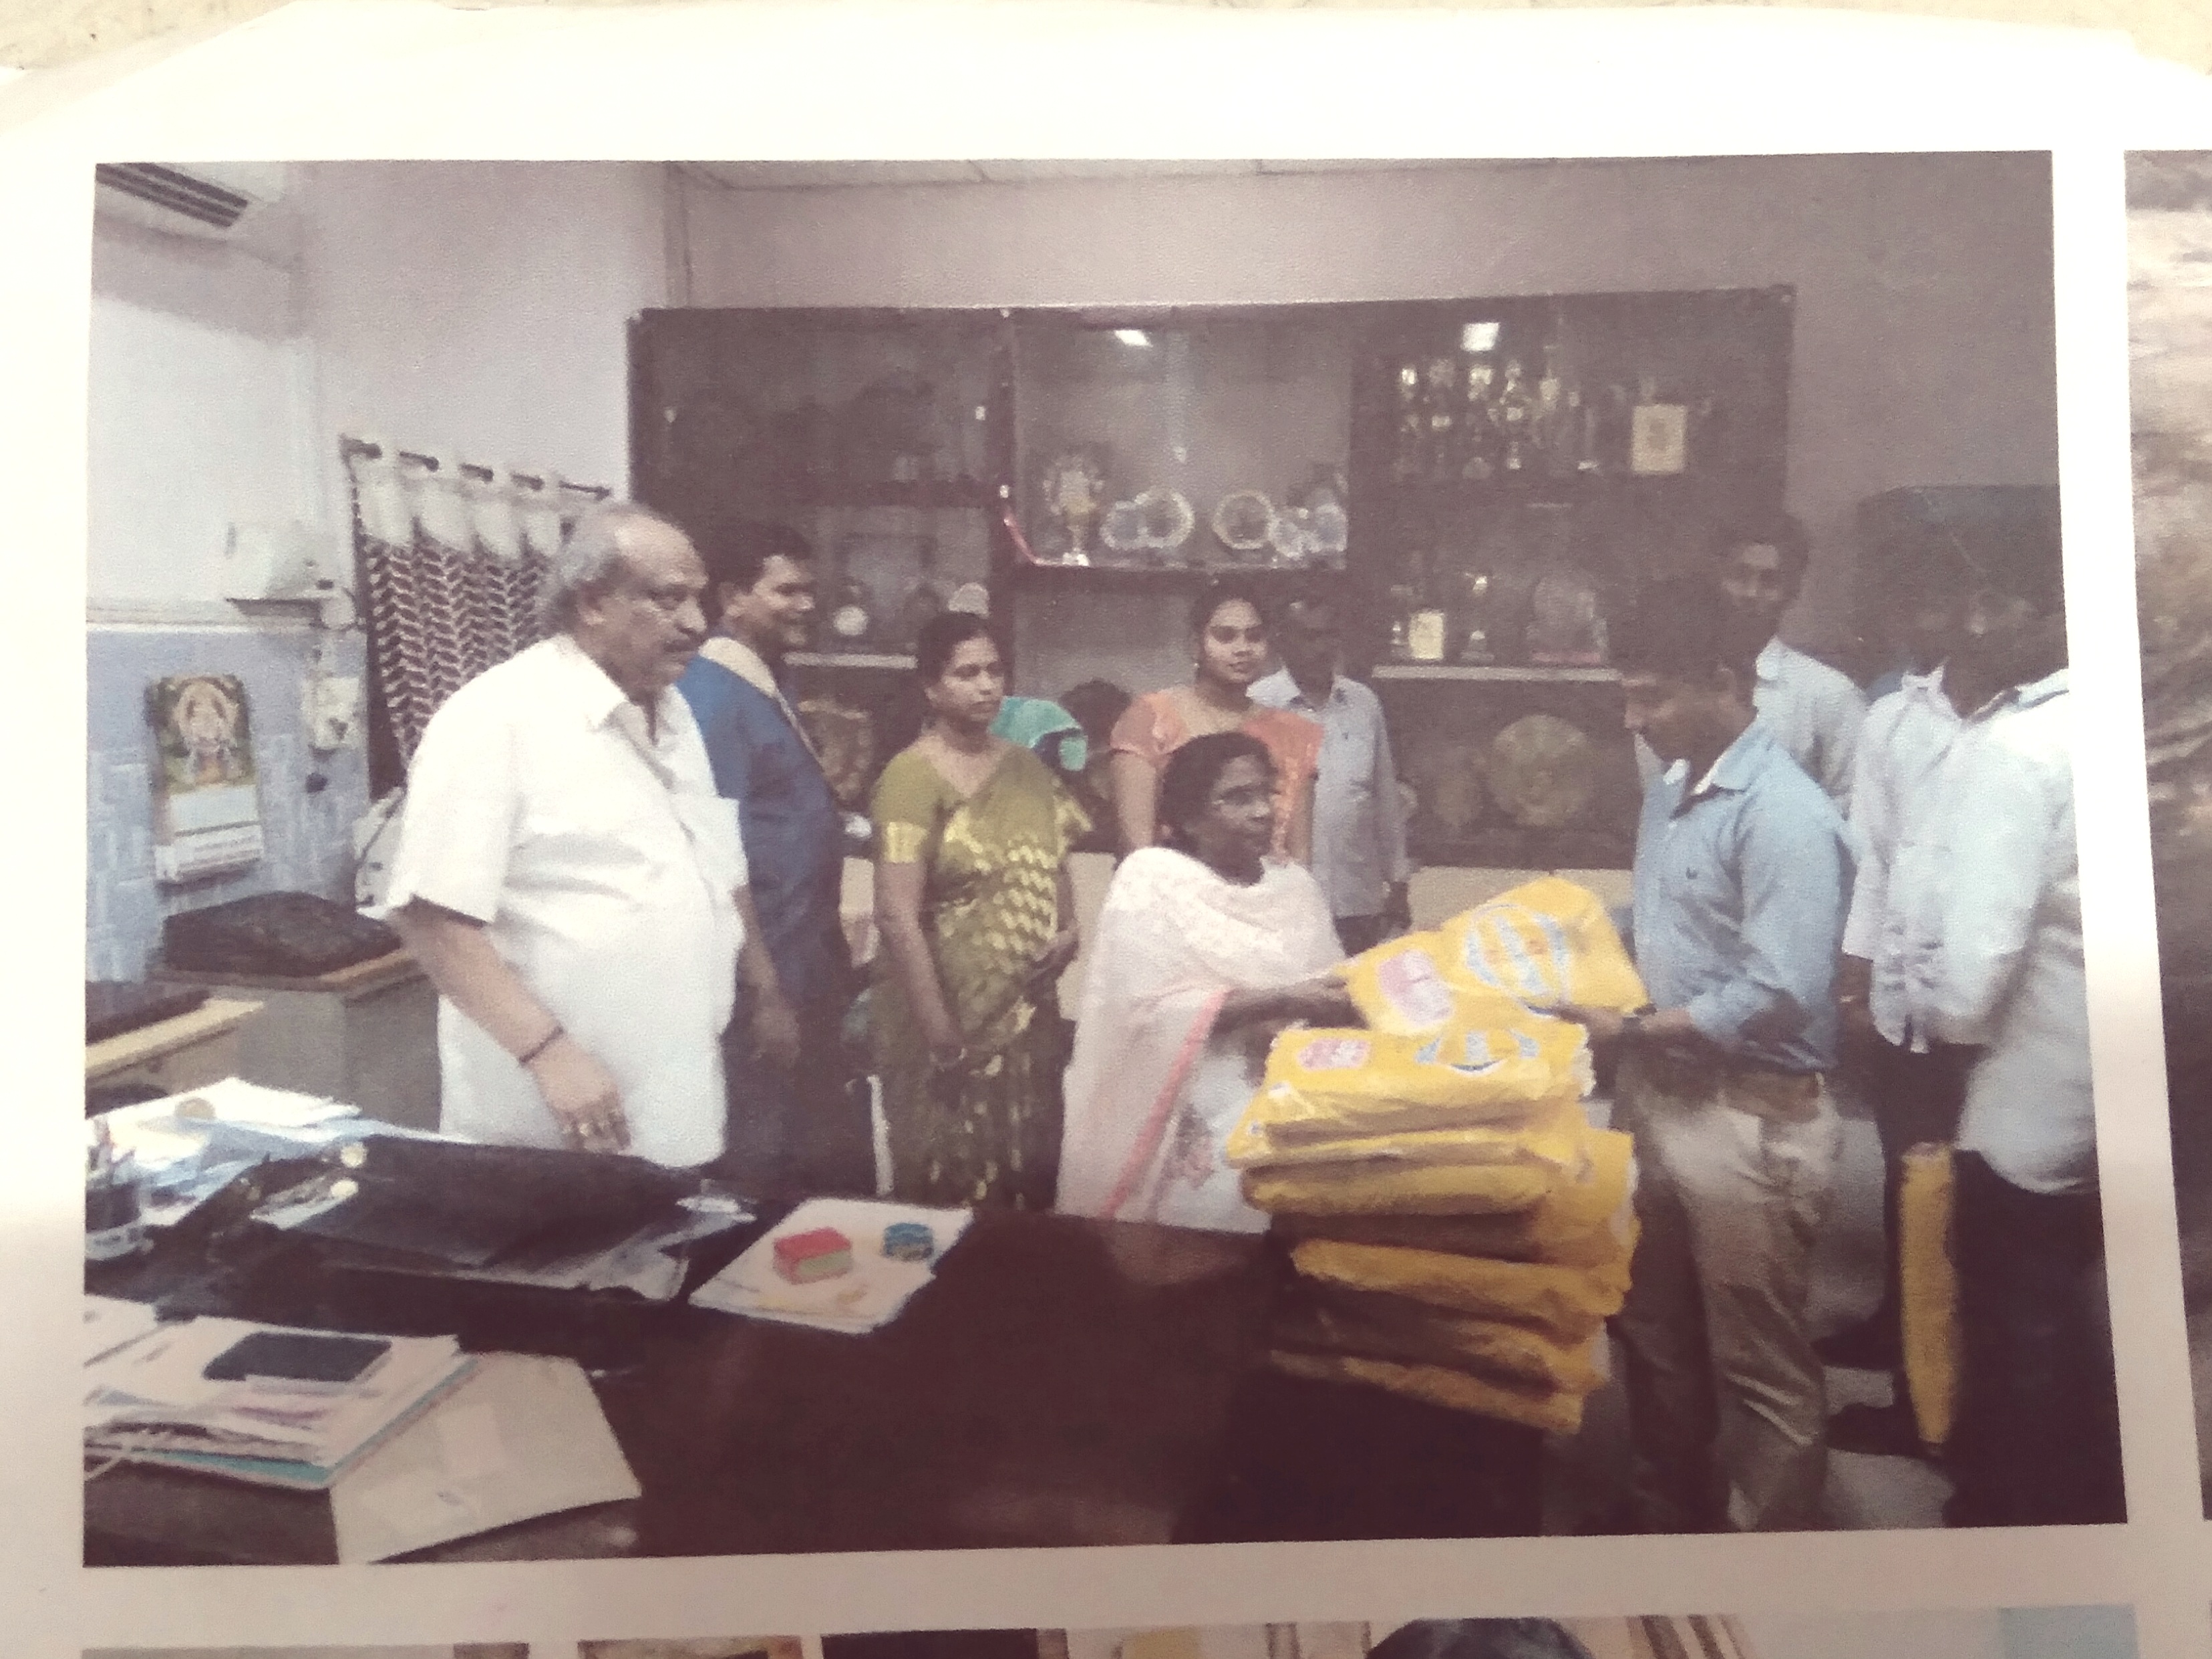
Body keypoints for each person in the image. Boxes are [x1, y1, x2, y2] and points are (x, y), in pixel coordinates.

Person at [1548, 577, 1853, 1533]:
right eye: (1625, 696)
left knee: (1755, 1358)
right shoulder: (1672, 788)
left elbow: (1777, 988)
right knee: (1648, 1323)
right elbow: (1669, 920)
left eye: (1651, 697)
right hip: (1658, 1094)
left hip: (1749, 1113)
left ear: (1722, 680)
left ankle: (1762, 1557)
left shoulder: (1785, 812)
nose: (1632, 720)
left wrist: (1631, 1031)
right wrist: (1553, 934)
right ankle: (1663, 1514)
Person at [385, 502, 797, 1169]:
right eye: (668, 599)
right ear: (593, 602)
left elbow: (716, 864)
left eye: (696, 599)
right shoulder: (496, 717)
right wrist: (548, 1053)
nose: (695, 623)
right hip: (550, 1116)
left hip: (675, 1098)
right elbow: (431, 916)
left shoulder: (676, 714)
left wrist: (764, 987)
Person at [1910, 564, 2121, 1526]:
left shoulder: (2021, 744)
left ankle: (2013, 1506)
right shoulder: (2126, 723)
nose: (1973, 620)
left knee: (2014, 1306)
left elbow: (1979, 953)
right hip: (2120, 1073)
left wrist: (1947, 1031)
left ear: (2054, 611)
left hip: (2031, 1085)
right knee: (2086, 1294)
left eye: (1995, 599)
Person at [1058, 732, 1355, 1233]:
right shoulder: (1152, 877)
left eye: (1267, 794)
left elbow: (1333, 991)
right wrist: (1280, 999)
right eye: (1237, 798)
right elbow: (1142, 1012)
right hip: (1186, 1107)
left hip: (1289, 1105)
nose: (1262, 811)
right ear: (1189, 817)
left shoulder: (1294, 887)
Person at [1818, 548, 1978, 1450]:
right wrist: (1854, 976)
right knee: (1903, 1174)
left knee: (1966, 1191)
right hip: (1900, 995)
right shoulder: (1890, 717)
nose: (1925, 622)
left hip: (1987, 999)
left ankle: (1942, 1392)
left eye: (1941, 603)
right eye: (1910, 604)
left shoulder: (2024, 723)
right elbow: (1872, 859)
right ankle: (1900, 1341)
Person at [677, 519, 871, 1199]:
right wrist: (764, 994)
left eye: (809, 590)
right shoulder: (711, 692)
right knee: (759, 1165)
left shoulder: (765, 679)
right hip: (761, 975)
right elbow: (714, 854)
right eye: (786, 591)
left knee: (813, 1158)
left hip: (805, 958)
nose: (806, 605)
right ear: (732, 597)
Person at [871, 613, 1088, 1208]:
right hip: (942, 1015)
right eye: (966, 673)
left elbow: (1055, 856)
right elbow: (895, 915)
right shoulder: (909, 778)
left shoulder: (1027, 767)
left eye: (994, 670)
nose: (986, 685)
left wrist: (1070, 930)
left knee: (1029, 1168)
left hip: (1027, 1013)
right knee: (949, 1180)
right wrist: (941, 1035)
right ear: (931, 687)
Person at [1109, 580, 1321, 863]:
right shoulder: (1151, 717)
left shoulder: (1292, 734)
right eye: (1225, 636)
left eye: (1254, 637)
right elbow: (1137, 853)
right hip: (1174, 884)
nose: (1243, 648)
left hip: (1267, 887)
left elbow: (1300, 858)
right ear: (1195, 646)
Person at [1252, 588, 1414, 954]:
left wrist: (1398, 883)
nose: (1321, 648)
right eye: (1309, 637)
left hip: (1358, 902)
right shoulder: (1258, 705)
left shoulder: (1363, 703)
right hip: (1282, 903)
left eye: (1329, 635)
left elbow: (1384, 800)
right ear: (1282, 641)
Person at [1714, 514, 1868, 808]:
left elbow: (1851, 805)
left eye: (1770, 581)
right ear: (1719, 580)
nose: (1752, 593)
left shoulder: (1830, 694)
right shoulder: (1682, 682)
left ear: (1793, 591)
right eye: (1740, 576)